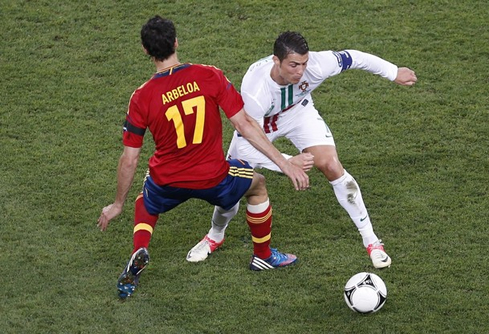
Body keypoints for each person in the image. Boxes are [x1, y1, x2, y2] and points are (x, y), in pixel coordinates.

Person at [97, 18, 310, 299]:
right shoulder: (209, 76)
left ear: (145, 51)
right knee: (256, 184)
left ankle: (140, 249)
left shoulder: (141, 97)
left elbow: (130, 159)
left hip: (168, 180)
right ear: (176, 42)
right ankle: (263, 255)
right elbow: (244, 125)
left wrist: (117, 204)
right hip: (213, 178)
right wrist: (284, 163)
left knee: (146, 201)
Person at [187, 31, 418, 269]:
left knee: (331, 165)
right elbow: (249, 135)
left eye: (304, 63)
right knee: (232, 186)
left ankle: (371, 241)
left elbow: (355, 57)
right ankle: (215, 235)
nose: (301, 71)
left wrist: (393, 72)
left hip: (298, 113)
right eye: (294, 65)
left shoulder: (318, 64)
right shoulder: (255, 91)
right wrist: (287, 161)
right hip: (258, 128)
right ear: (276, 61)